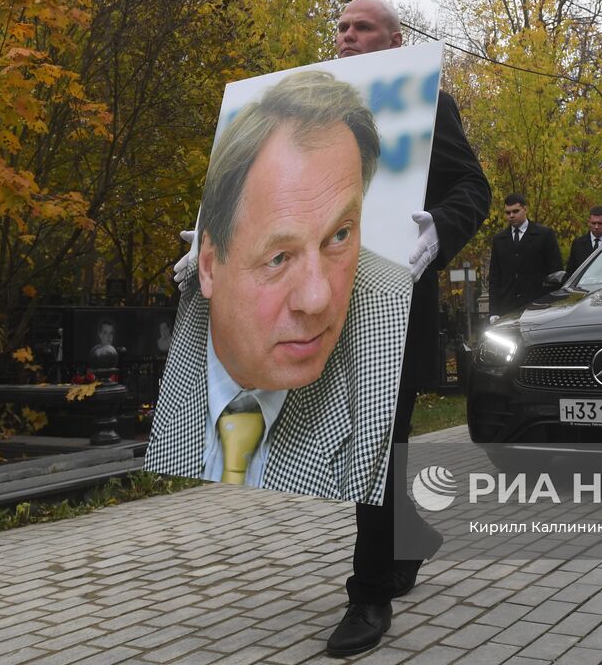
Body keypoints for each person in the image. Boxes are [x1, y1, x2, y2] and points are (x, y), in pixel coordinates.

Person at [145, 69, 413, 503]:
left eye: (340, 236)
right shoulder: (188, 323)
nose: (318, 298)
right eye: (278, 258)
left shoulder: (386, 339)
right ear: (210, 266)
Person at [325, 0, 489, 658]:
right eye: (340, 28)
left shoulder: (428, 104)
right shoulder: (314, 112)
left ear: (395, 42)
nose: (347, 36)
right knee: (360, 444)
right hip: (328, 301)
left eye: (362, 27)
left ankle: (368, 596)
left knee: (372, 444)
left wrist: (438, 232)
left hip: (392, 302)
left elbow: (470, 187)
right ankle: (410, 537)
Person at [487, 194, 563, 318]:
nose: (511, 216)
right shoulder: (499, 240)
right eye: (508, 212)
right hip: (508, 308)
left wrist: (554, 306)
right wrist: (494, 312)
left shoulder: (544, 235)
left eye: (515, 211)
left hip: (538, 306)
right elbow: (495, 278)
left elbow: (555, 273)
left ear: (525, 209)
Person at [565, 205, 602, 275]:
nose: (596, 227)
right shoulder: (578, 244)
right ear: (588, 222)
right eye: (593, 223)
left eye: (600, 223)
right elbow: (571, 272)